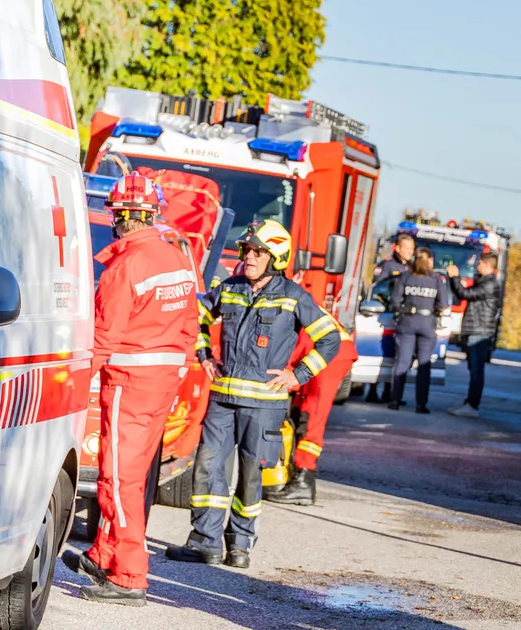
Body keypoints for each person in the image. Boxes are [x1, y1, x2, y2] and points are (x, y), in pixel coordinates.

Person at [166, 220, 340, 569]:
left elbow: (330, 339)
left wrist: (298, 374)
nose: (250, 256)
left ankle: (240, 545)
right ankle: (205, 543)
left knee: (250, 475)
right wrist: (204, 355)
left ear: (276, 257)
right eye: (248, 250)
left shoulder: (294, 297)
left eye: (259, 252)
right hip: (222, 401)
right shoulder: (229, 288)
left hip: (264, 407)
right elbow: (195, 316)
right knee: (208, 469)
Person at [63, 173, 198, 607]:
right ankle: (104, 554)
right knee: (128, 474)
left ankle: (128, 575)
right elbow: (191, 326)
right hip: (158, 385)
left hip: (128, 384)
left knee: (119, 479)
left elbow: (103, 335)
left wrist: (76, 384)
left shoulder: (126, 266)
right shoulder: (177, 258)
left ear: (121, 216)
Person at [265, 312, 358, 505]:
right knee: (300, 412)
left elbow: (283, 357)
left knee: (311, 417)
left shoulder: (279, 306)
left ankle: (304, 483)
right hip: (324, 350)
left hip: (330, 354)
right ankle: (297, 476)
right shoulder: (287, 298)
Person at [388, 247, 447, 413]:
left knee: (402, 362)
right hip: (427, 323)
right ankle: (421, 404)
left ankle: (395, 400)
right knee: (423, 365)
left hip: (407, 322)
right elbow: (443, 304)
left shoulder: (406, 277)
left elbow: (395, 300)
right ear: (429, 261)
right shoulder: (436, 279)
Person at [445, 253, 501, 418]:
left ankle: (472, 405)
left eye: (479, 263)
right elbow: (466, 291)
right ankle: (469, 402)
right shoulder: (484, 281)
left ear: (486, 264)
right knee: (473, 369)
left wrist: (454, 278)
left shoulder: (490, 284)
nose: (476, 266)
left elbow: (466, 294)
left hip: (479, 331)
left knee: (477, 370)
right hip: (475, 329)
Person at [367, 232, 414, 402]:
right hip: (385, 313)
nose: (410, 252)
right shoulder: (386, 266)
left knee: (397, 356)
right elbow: (377, 288)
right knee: (381, 353)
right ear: (397, 248)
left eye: (412, 249)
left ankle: (390, 392)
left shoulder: (411, 268)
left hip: (402, 317)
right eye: (407, 248)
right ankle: (372, 391)